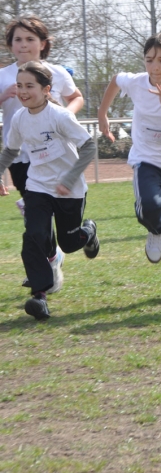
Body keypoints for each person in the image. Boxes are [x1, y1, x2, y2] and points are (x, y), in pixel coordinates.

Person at [98, 33, 161, 297]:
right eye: (149, 60)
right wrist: (102, 113)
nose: (155, 67)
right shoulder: (136, 82)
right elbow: (115, 80)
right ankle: (155, 229)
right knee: (152, 206)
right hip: (147, 159)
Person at [0, 61, 99, 320]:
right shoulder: (20, 118)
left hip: (70, 190)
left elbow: (89, 147)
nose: (22, 91)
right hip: (38, 187)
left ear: (46, 89)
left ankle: (88, 232)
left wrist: (69, 178)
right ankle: (39, 296)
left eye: (29, 86)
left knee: (68, 242)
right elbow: (11, 150)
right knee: (34, 236)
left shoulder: (59, 116)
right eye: (19, 85)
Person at [0, 15, 84, 292]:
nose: (24, 45)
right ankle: (48, 264)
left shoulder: (56, 73)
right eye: (18, 40)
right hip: (23, 159)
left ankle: (58, 253)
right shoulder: (3, 76)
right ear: (10, 45)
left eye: (30, 39)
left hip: (58, 158)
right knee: (36, 219)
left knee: (54, 219)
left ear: (43, 44)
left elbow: (77, 97)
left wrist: (62, 116)